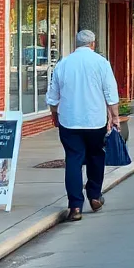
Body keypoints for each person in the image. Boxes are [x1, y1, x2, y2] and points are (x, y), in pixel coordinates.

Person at [47, 29, 120, 221]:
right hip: (95, 120)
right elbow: (110, 92)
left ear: (76, 43)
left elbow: (53, 96)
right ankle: (95, 195)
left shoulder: (63, 64)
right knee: (96, 156)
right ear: (93, 44)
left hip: (69, 121)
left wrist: (54, 114)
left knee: (73, 159)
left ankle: (75, 206)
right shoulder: (101, 63)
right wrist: (115, 117)